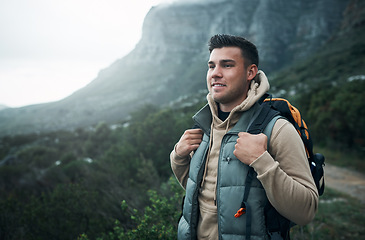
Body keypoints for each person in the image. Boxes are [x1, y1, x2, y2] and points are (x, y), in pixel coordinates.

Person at [170, 34, 318, 240]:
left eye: (227, 65)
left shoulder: (276, 128)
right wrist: (178, 158)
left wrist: (262, 161)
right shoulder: (204, 126)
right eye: (211, 66)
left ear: (251, 72)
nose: (215, 73)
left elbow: (306, 211)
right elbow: (209, 193)